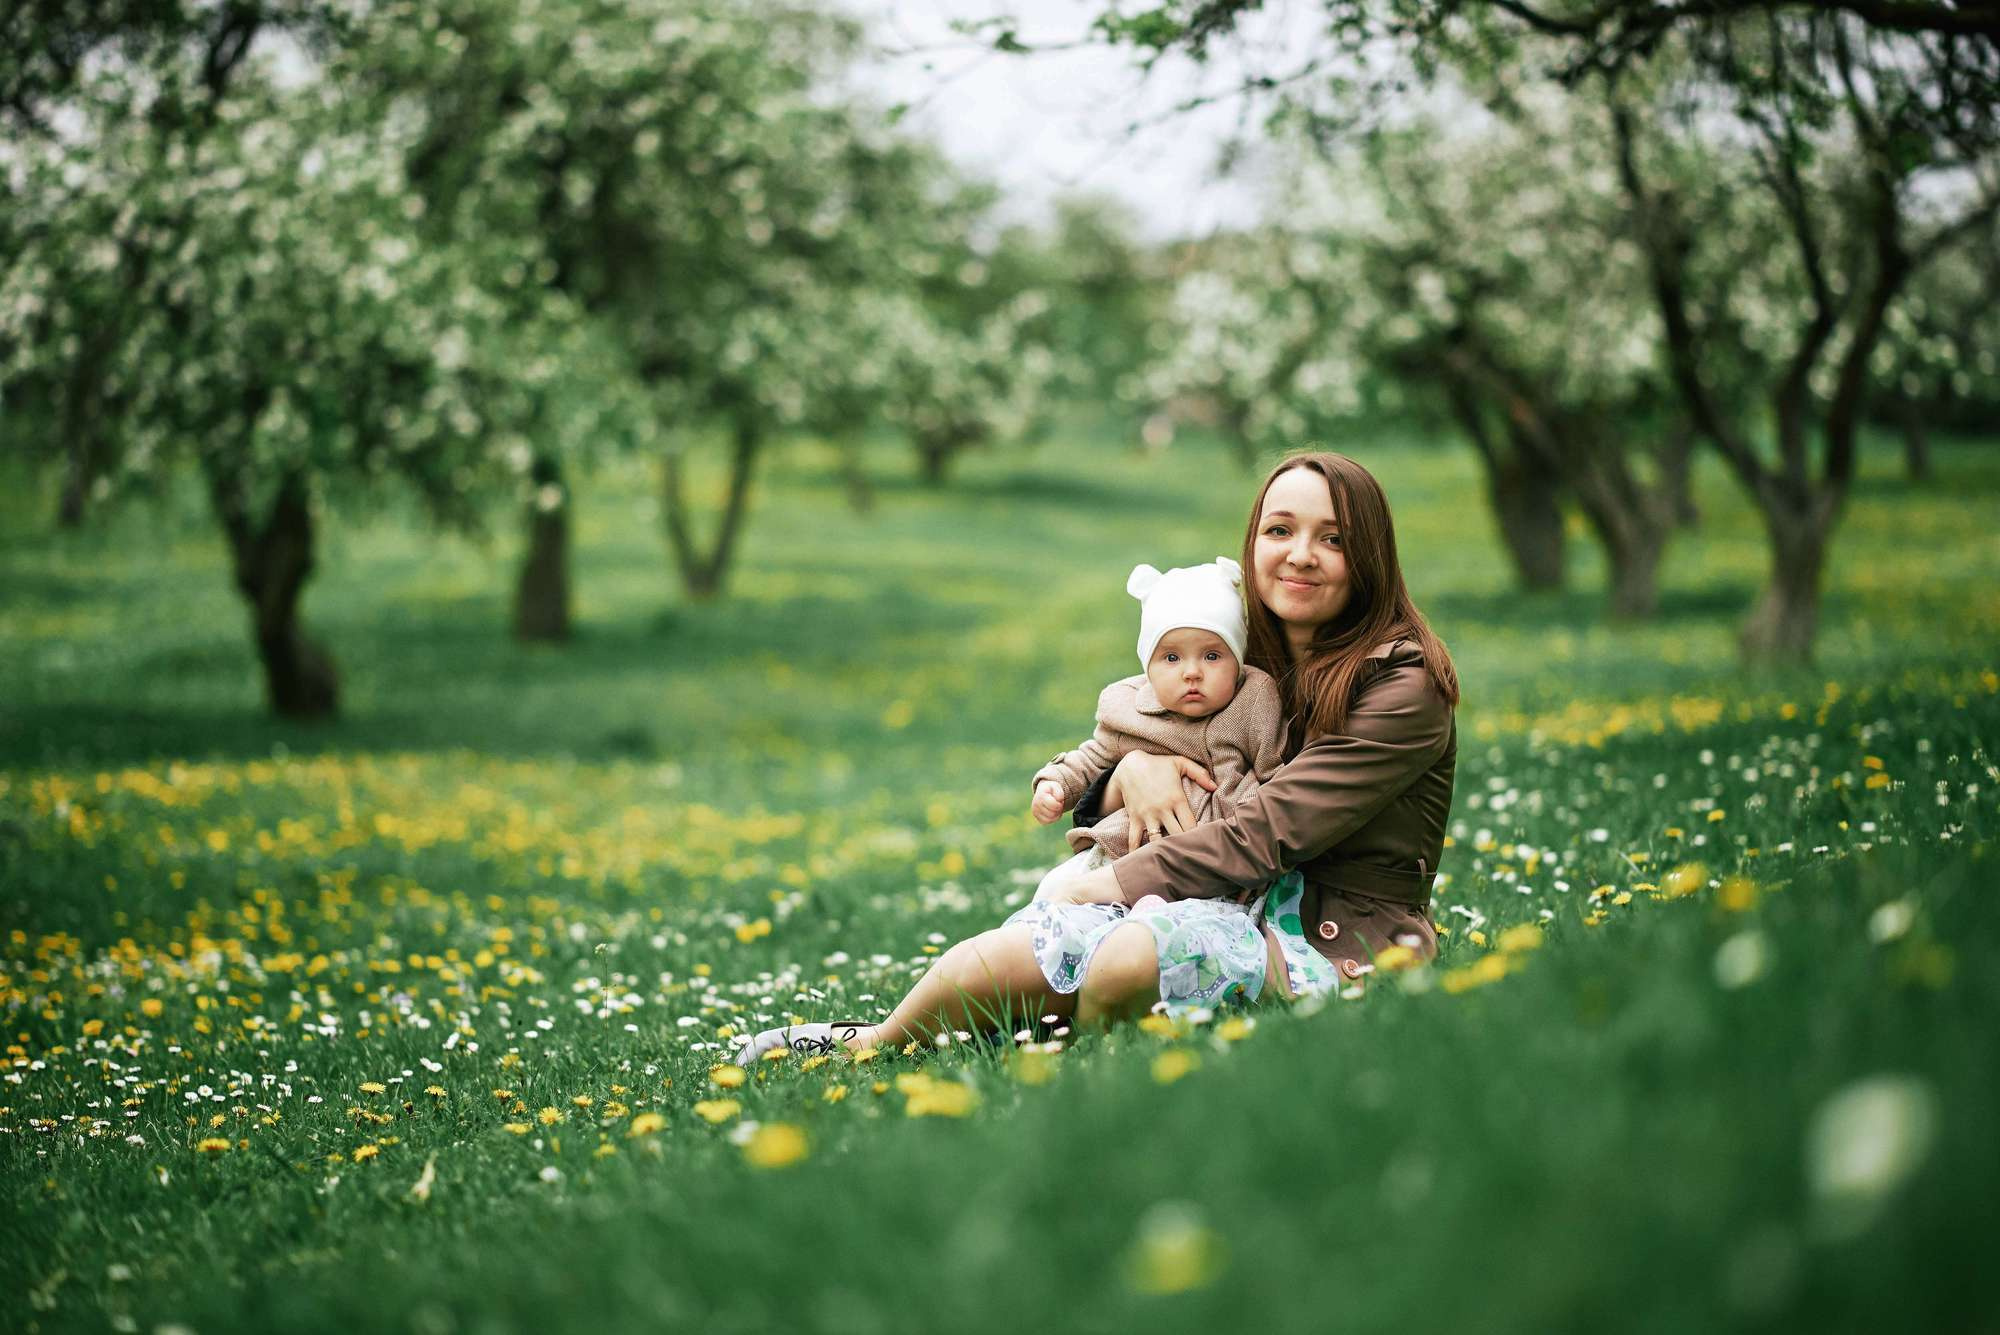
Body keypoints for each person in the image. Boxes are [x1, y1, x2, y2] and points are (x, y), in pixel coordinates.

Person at [728, 451, 1457, 1063]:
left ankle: (1084, 1075)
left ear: (1367, 556)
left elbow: (1271, 830)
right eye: (1280, 529)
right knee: (1012, 951)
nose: (1300, 554)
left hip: (1329, 942)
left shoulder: (1400, 683)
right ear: (1252, 543)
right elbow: (1150, 743)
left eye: (1331, 538)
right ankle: (875, 1043)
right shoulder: (1239, 659)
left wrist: (1107, 884)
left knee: (1127, 954)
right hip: (1214, 896)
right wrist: (1126, 777)